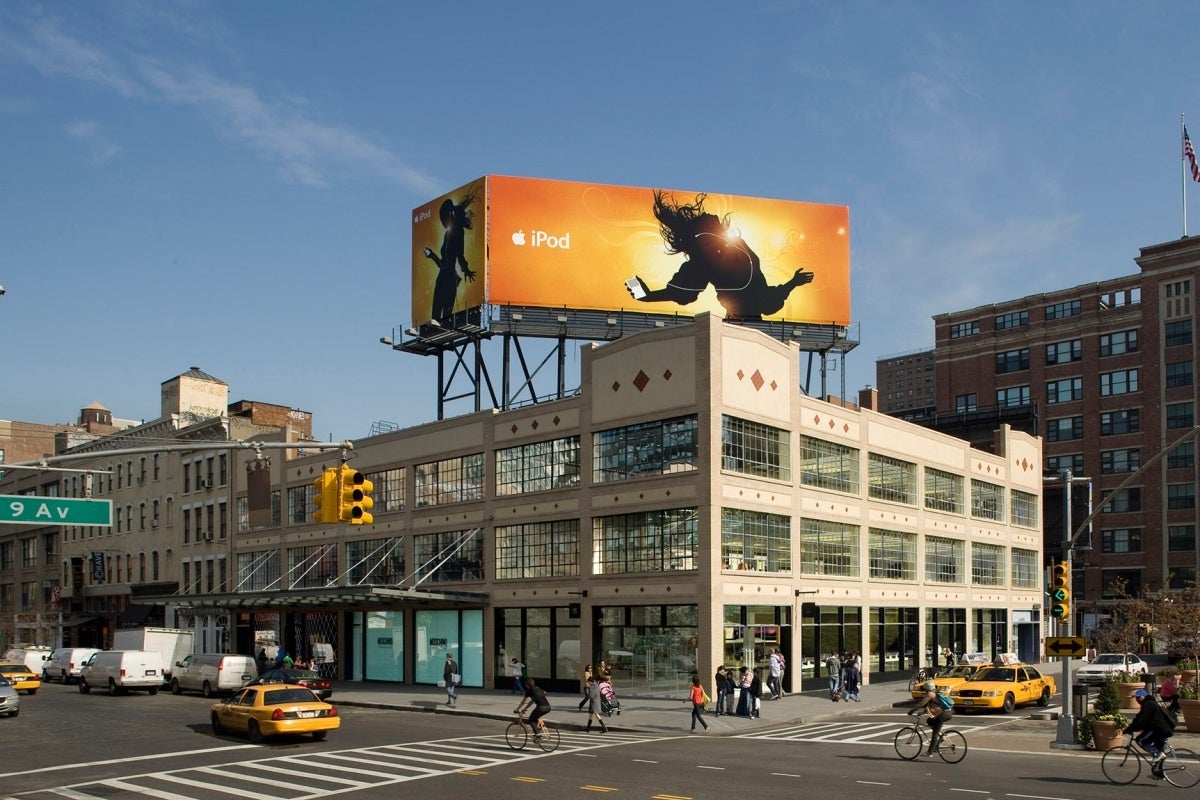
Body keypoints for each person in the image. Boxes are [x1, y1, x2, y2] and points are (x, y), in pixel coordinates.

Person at [625, 191, 816, 321]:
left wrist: (792, 282)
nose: (713, 217)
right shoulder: (706, 259)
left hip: (755, 325)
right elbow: (682, 293)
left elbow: (764, 296)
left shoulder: (737, 245)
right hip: (736, 325)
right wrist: (646, 295)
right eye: (710, 220)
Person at [424, 191, 478, 325]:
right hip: (449, 281)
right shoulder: (455, 233)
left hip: (445, 280)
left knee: (437, 321)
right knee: (443, 321)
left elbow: (448, 263)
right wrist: (464, 270)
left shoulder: (453, 234)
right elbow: (456, 258)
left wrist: (432, 256)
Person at [1127, 688, 1177, 776]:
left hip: (1159, 729)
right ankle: (1159, 773)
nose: (1137, 700)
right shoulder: (1148, 704)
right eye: (1136, 698)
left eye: (1139, 697)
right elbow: (1138, 718)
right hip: (1163, 729)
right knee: (1158, 752)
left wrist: (1131, 729)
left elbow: (1141, 721)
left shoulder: (1148, 704)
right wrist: (1130, 728)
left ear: (1144, 697)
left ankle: (1158, 754)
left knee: (1140, 740)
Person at [909, 680, 953, 757]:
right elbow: (932, 706)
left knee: (934, 733)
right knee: (929, 721)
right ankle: (940, 737)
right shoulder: (935, 694)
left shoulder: (930, 694)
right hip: (947, 713)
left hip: (943, 714)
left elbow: (921, 704)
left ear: (926, 688)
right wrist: (922, 713)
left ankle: (930, 752)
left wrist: (911, 711)